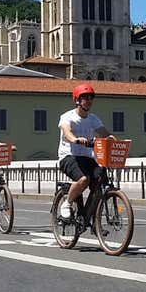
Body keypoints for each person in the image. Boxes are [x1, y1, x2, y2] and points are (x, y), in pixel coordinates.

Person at [57, 83, 114, 220]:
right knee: (83, 179)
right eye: (85, 98)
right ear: (77, 100)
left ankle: (93, 220)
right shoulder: (67, 117)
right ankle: (67, 203)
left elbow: (105, 134)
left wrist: (114, 141)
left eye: (90, 98)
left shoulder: (93, 118)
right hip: (69, 157)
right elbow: (67, 132)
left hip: (87, 158)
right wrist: (75, 140)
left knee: (101, 182)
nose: (88, 101)